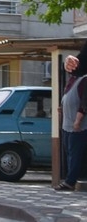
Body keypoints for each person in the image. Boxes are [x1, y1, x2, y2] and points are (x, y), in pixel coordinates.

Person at [56, 42, 87, 191]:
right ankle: (70, 180)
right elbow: (78, 67)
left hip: (77, 124)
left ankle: (70, 181)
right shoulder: (77, 80)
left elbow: (84, 101)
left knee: (74, 153)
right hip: (68, 124)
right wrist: (69, 61)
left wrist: (78, 120)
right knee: (70, 153)